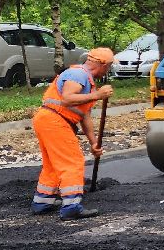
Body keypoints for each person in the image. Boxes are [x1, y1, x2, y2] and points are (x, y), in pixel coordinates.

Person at [32, 47, 115, 221]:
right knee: (72, 162)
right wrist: (98, 95)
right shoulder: (78, 74)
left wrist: (94, 143)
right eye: (109, 66)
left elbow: (84, 116)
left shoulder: (87, 81)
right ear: (103, 65)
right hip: (55, 120)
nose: (108, 70)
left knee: (53, 164)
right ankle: (71, 207)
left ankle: (42, 202)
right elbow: (67, 98)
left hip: (49, 120)